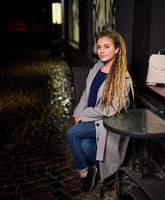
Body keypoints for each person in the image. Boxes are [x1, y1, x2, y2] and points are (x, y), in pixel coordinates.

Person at [66, 29, 133, 192]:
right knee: (87, 146)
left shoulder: (121, 76)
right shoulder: (96, 67)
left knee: (72, 134)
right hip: (90, 118)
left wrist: (85, 115)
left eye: (107, 46)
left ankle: (84, 175)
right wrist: (78, 111)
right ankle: (107, 174)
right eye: (99, 46)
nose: (101, 51)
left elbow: (112, 109)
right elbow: (85, 93)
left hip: (105, 122)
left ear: (117, 49)